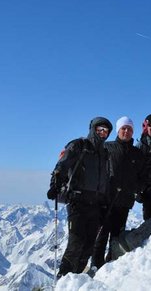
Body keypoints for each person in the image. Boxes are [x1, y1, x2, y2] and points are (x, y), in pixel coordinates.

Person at [46, 117, 112, 278]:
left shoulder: (104, 153)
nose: (102, 133)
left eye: (106, 131)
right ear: (92, 129)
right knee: (76, 243)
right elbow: (62, 165)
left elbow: (104, 179)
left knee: (89, 245)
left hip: (95, 204)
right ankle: (63, 280)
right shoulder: (78, 145)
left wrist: (104, 202)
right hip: (77, 202)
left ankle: (75, 280)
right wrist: (55, 183)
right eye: (99, 130)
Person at [92, 116, 145, 269]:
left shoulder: (137, 153)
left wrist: (136, 189)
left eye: (129, 129)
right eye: (124, 128)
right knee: (101, 235)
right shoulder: (107, 147)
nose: (126, 131)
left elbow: (143, 175)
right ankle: (96, 266)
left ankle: (112, 265)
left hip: (125, 201)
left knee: (117, 236)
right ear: (118, 130)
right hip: (105, 200)